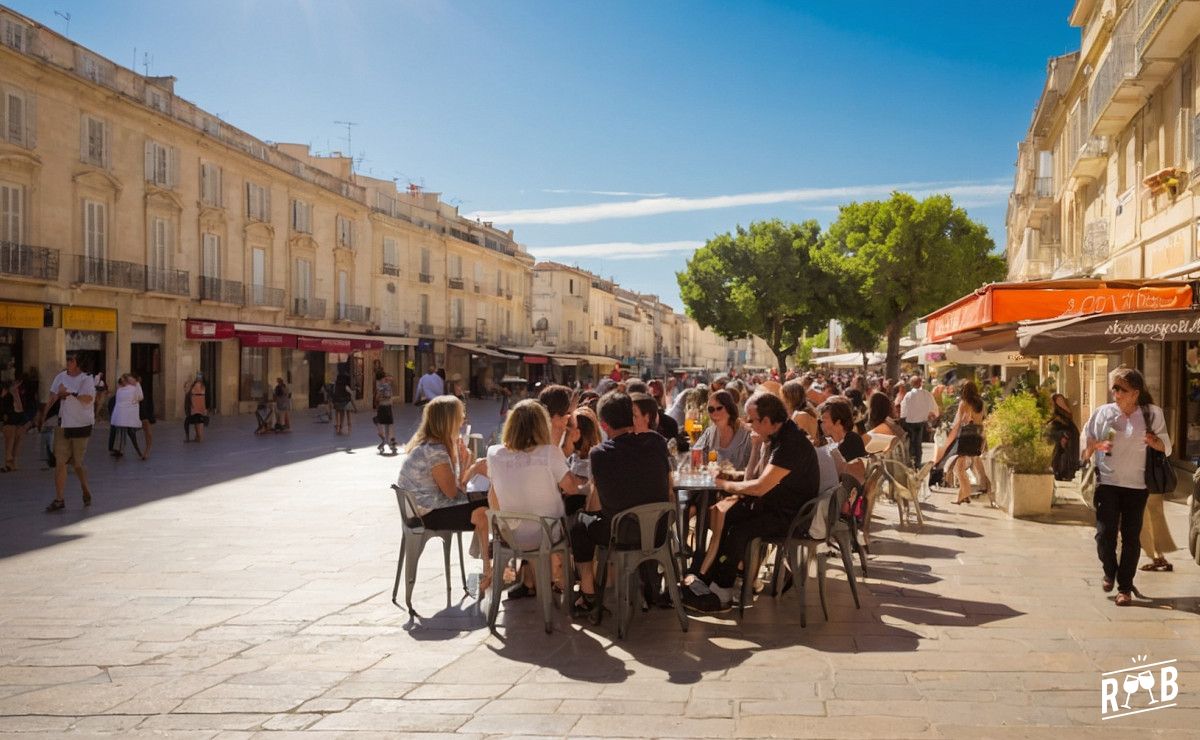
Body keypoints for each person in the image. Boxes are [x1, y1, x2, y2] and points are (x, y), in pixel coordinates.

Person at [686, 392, 820, 612]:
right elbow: (754, 479)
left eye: (752, 420)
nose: (748, 424)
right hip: (777, 505)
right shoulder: (777, 437)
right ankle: (707, 578)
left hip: (792, 516)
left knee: (739, 529)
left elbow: (758, 488)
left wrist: (723, 485)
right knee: (726, 513)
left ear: (767, 421)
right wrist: (757, 448)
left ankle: (721, 592)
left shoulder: (790, 444)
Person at [569, 392, 672, 614]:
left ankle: (588, 595)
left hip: (621, 535)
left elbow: (596, 505)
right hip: (659, 531)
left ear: (604, 425)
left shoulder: (599, 454)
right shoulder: (657, 442)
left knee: (579, 525)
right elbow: (669, 487)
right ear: (631, 417)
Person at [1082, 368, 1171, 606]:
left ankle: (1124, 588)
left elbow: (1168, 447)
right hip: (1108, 484)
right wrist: (1091, 447)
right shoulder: (1103, 413)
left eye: (1120, 389)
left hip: (1137, 486)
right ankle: (1109, 570)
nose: (1115, 393)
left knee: (1131, 538)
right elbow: (1086, 443)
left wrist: (1156, 442)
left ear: (1135, 393)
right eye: (1113, 388)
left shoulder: (1152, 414)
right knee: (1104, 535)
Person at [486, 399, 579, 600]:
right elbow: (572, 487)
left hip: (510, 535)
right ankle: (567, 585)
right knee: (574, 522)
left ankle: (534, 581)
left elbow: (493, 496)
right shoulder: (550, 453)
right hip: (545, 534)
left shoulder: (494, 453)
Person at [397, 395, 491, 589]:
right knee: (486, 510)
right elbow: (452, 492)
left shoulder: (432, 445)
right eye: (460, 415)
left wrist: (464, 461)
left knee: (484, 505)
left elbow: (456, 489)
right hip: (428, 514)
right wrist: (472, 469)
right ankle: (489, 571)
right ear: (449, 420)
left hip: (426, 509)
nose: (464, 419)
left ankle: (488, 569)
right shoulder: (435, 451)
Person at [41, 354, 96, 511]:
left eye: (71, 360)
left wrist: (70, 393)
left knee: (77, 463)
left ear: (78, 363)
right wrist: (43, 417)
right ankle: (59, 499)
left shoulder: (86, 379)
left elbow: (88, 398)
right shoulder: (60, 377)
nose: (68, 362)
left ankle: (85, 488)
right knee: (60, 462)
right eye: (68, 359)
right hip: (64, 423)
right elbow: (52, 398)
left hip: (81, 424)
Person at [941, 380, 989, 505]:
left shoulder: (964, 403)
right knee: (961, 467)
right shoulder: (981, 403)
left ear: (965, 391)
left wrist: (951, 436)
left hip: (966, 437)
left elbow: (960, 422)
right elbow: (983, 419)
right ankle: (962, 497)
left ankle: (966, 492)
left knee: (958, 468)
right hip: (978, 436)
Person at [693, 389, 752, 470]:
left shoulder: (747, 435)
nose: (714, 413)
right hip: (713, 481)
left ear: (729, 409)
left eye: (719, 408)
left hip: (740, 482)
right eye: (711, 409)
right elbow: (695, 454)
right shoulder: (709, 433)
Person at [899, 375, 937, 466]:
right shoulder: (926, 394)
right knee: (918, 443)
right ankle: (918, 462)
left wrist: (902, 418)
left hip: (910, 422)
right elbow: (933, 407)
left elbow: (903, 409)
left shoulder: (908, 395)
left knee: (912, 442)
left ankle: (912, 461)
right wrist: (931, 416)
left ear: (912, 384)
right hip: (921, 422)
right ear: (920, 383)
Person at [108, 374, 145, 459]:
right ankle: (119, 450)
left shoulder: (133, 388)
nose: (122, 382)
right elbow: (119, 402)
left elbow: (140, 397)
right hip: (122, 415)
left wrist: (137, 383)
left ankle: (139, 453)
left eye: (123, 380)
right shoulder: (121, 389)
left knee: (131, 435)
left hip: (127, 416)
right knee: (121, 433)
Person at [1046, 393, 1080, 482]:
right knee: (1059, 453)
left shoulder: (1067, 411)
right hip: (1060, 434)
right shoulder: (1054, 413)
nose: (1060, 402)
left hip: (1070, 435)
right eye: (1058, 401)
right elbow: (1050, 424)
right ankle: (1059, 471)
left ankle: (1067, 472)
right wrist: (1061, 435)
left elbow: (1068, 419)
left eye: (1061, 400)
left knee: (1068, 453)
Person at [1, 379, 27, 472]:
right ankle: (9, 463)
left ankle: (12, 464)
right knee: (10, 441)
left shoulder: (18, 394)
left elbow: (20, 408)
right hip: (10, 420)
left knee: (16, 441)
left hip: (18, 420)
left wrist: (15, 394)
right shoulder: (6, 396)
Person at [373, 370, 397, 453]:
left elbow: (377, 398)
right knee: (389, 424)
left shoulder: (380, 386)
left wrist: (378, 400)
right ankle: (391, 440)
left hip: (382, 407)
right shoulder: (388, 386)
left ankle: (384, 439)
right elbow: (390, 397)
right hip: (388, 407)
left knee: (379, 423)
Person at [135, 373, 155, 460]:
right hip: (137, 413)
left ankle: (146, 452)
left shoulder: (142, 390)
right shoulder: (132, 388)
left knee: (148, 433)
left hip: (143, 413)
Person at [184, 373, 208, 442]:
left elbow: (188, 392)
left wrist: (187, 383)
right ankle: (198, 436)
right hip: (201, 407)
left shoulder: (195, 385)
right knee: (199, 422)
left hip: (196, 407)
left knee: (197, 422)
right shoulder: (203, 386)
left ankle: (199, 437)